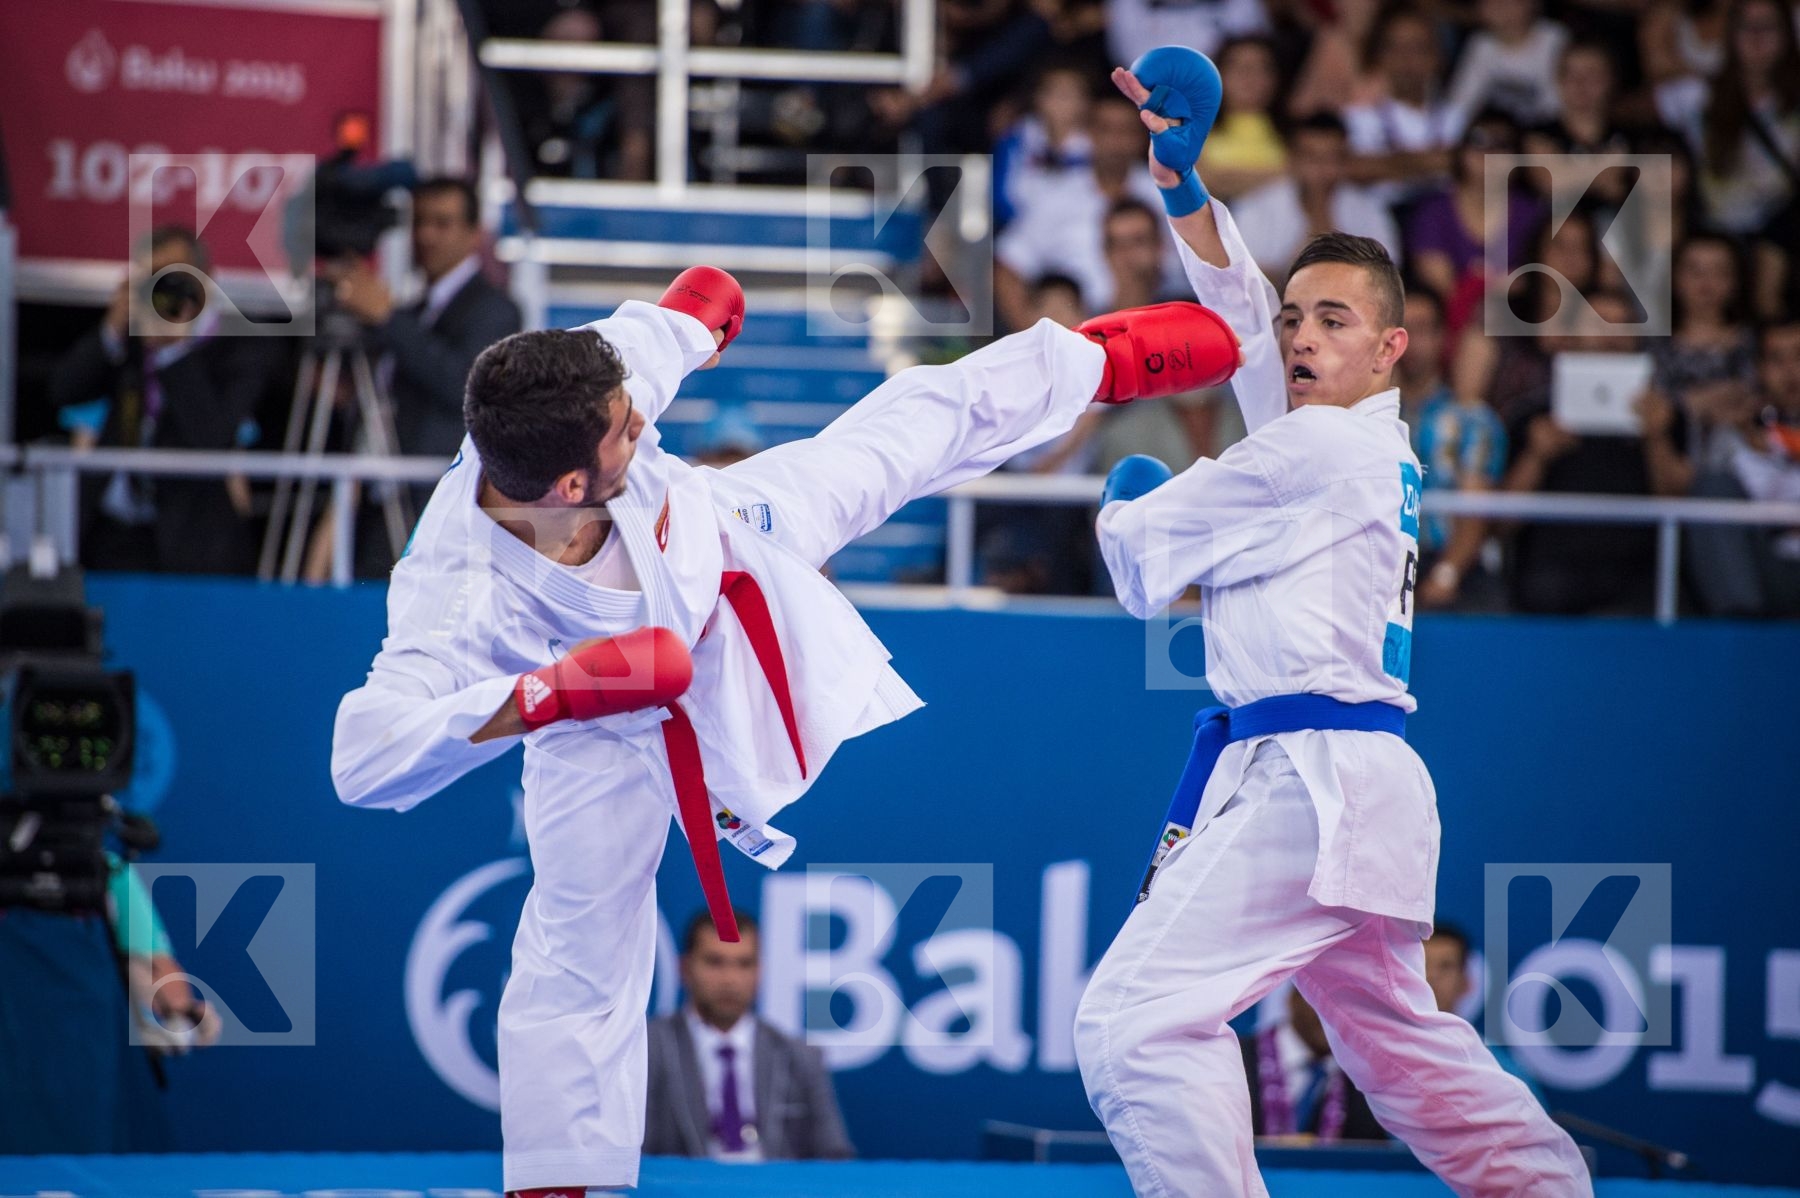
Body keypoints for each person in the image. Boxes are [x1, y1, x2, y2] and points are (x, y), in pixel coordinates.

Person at [329, 265, 1240, 1198]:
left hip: (723, 542)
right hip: (597, 718)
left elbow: (648, 346)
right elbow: (363, 758)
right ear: (569, 484)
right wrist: (545, 694)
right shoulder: (457, 591)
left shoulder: (581, 389)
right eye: (626, 431)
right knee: (577, 946)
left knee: (894, 440)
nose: (642, 423)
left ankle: (1094, 361)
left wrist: (692, 321)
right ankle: (559, 1185)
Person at [1072, 46, 1591, 1197]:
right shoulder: (1355, 440)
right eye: (1298, 316)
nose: (1302, 336)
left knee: (1135, 1019)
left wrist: (1126, 506)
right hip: (1367, 782)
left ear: (1391, 348)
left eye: (1334, 320)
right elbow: (1242, 319)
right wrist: (1182, 186)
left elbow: (1143, 560)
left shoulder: (1316, 447)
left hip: (1306, 779)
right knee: (1402, 1047)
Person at [46, 226, 284, 575]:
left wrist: (174, 350)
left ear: (206, 279)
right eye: (151, 278)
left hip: (191, 542)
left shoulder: (242, 345)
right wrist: (112, 328)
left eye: (173, 277)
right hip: (111, 533)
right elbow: (64, 391)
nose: (162, 289)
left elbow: (213, 438)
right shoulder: (131, 336)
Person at [332, 177, 524, 460]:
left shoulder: (496, 309)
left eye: (442, 224)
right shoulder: (415, 310)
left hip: (437, 475)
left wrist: (388, 317)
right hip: (385, 470)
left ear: (475, 234)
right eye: (419, 222)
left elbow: (465, 385)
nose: (426, 235)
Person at [644, 910, 854, 1160]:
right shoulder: (648, 1050)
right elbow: (635, 1155)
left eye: (744, 964)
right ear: (685, 968)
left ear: (759, 971)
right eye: (715, 962)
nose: (730, 979)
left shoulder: (799, 1056)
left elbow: (835, 1158)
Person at [1229, 112, 1402, 286]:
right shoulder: (1254, 207)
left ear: (1346, 162)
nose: (1322, 169)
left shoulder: (1369, 209)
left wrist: (1323, 217)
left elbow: (1385, 278)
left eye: (1332, 159)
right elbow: (1249, 282)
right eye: (1312, 158)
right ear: (1293, 159)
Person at [1239, 987, 1389, 1141]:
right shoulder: (1237, 1059)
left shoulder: (1366, 1082)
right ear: (1294, 1001)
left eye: (1346, 1007)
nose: (1333, 1017)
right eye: (1326, 1002)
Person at [1424, 922, 1547, 1106]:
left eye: (1446, 966)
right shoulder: (1380, 1051)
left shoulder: (1499, 1068)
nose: (1431, 976)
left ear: (1466, 982)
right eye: (1422, 963)